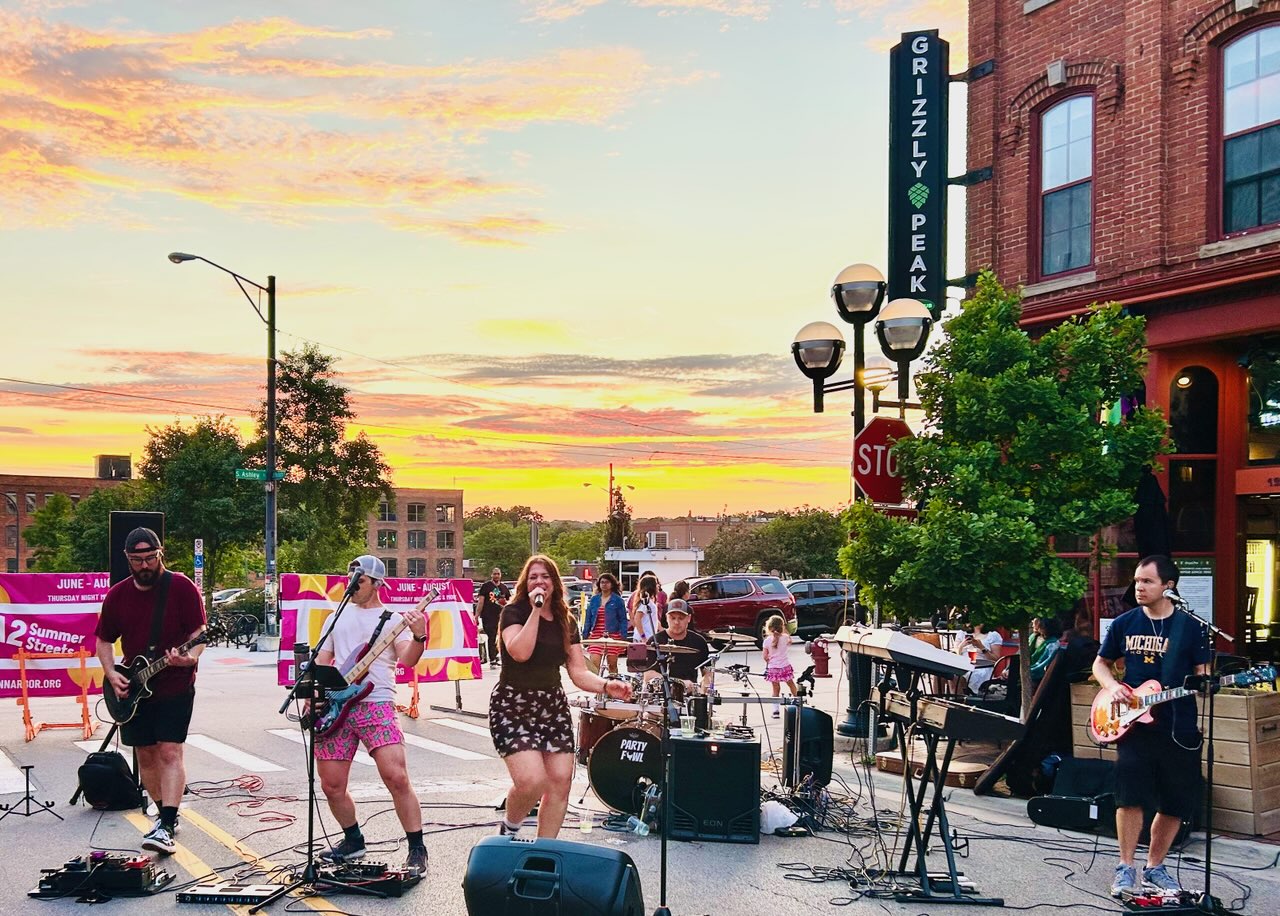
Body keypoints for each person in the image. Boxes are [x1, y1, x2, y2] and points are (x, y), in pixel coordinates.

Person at [1094, 555, 1211, 899]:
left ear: (1168, 586)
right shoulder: (1124, 623)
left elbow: (1203, 675)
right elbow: (1100, 664)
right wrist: (1112, 686)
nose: (1139, 587)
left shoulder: (1191, 628)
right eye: (1137, 580)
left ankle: (1155, 867)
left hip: (1179, 726)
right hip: (1134, 726)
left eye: (1147, 581)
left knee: (1175, 800)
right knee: (1130, 796)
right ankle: (1126, 867)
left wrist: (1206, 685)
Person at [492, 554, 632, 838]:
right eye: (533, 577)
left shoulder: (566, 621)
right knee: (531, 781)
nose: (540, 582)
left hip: (551, 707)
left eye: (545, 577)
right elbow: (519, 652)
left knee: (559, 782)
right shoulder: (513, 613)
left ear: (555, 583)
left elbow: (578, 671)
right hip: (512, 705)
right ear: (525, 583)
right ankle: (510, 828)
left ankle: (543, 851)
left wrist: (606, 685)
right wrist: (534, 611)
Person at [313, 555, 432, 874]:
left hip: (376, 702)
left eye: (359, 580)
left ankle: (416, 847)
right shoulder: (335, 618)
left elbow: (408, 660)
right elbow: (324, 662)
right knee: (331, 784)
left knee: (396, 776)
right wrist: (317, 695)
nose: (351, 585)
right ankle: (352, 839)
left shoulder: (392, 620)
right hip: (338, 704)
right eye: (349, 579)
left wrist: (420, 635)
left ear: (377, 583)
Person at [94, 527, 205, 855]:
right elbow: (103, 640)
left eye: (150, 557)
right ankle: (162, 811)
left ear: (161, 554)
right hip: (133, 687)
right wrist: (111, 673)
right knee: (145, 755)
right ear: (128, 559)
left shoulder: (181, 587)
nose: (145, 565)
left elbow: (199, 632)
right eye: (137, 559)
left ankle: (168, 823)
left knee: (170, 751)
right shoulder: (118, 595)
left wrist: (187, 660)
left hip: (174, 684)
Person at [649, 599, 710, 694]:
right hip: (660, 695)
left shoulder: (699, 642)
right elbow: (648, 674)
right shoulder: (655, 641)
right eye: (673, 618)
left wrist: (704, 686)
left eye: (681, 618)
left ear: (688, 618)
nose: (676, 622)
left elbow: (707, 671)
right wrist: (680, 684)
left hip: (689, 696)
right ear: (666, 618)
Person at [581, 573, 627, 676]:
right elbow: (588, 619)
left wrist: (623, 637)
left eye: (606, 582)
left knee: (612, 665)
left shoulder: (617, 600)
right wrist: (585, 636)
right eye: (602, 582)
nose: (604, 584)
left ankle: (613, 687)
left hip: (613, 635)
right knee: (594, 664)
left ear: (612, 584)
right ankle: (597, 687)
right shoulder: (594, 600)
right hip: (596, 635)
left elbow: (623, 619)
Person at [762, 614, 797, 717]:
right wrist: (785, 630)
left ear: (769, 627)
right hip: (785, 666)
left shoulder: (767, 641)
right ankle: (797, 702)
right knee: (791, 684)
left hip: (773, 668)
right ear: (782, 626)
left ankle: (775, 711)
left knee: (775, 688)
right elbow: (790, 641)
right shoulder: (785, 638)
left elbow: (765, 656)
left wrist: (769, 658)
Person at [475, 568, 510, 669]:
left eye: (498, 574)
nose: (496, 576)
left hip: (501, 616)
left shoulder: (504, 588)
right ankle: (493, 660)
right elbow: (481, 601)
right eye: (494, 574)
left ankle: (495, 655)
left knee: (501, 637)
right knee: (491, 636)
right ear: (491, 575)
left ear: (500, 575)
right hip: (488, 616)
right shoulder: (486, 587)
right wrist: (477, 615)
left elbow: (510, 601)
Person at [957, 623, 1002, 694]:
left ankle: (960, 699)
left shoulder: (993, 635)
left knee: (959, 676)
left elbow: (996, 659)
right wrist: (962, 645)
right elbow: (955, 653)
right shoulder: (962, 633)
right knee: (942, 673)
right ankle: (940, 700)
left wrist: (981, 647)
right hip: (963, 664)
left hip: (982, 667)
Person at [629, 574, 663, 643]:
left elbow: (654, 619)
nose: (658, 586)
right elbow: (637, 619)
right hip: (644, 639)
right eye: (656, 584)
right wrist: (643, 637)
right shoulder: (645, 603)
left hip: (649, 636)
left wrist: (662, 630)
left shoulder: (650, 602)